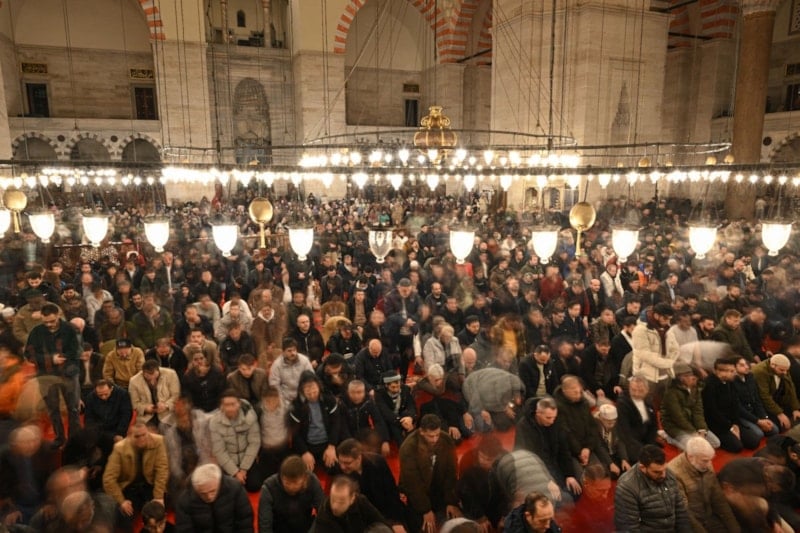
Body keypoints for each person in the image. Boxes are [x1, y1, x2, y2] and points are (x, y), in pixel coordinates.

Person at [24, 301, 82, 447]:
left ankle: (75, 439)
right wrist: (50, 359)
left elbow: (77, 351)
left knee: (73, 408)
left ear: (57, 315)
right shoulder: (37, 332)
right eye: (46, 322)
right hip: (46, 374)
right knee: (52, 409)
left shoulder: (70, 329)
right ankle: (59, 437)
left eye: (52, 321)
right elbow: (29, 354)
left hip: (68, 373)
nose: (49, 324)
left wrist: (63, 358)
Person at [102, 421, 169, 532]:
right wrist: (121, 501)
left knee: (158, 514)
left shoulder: (159, 441)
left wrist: (158, 496)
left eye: (144, 435)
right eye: (137, 436)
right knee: (124, 518)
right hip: (129, 487)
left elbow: (162, 469)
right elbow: (108, 479)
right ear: (130, 437)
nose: (141, 439)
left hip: (150, 485)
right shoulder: (120, 448)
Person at [399, 414, 462, 532]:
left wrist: (451, 501)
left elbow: (451, 472)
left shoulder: (446, 440)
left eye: (437, 435)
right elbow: (413, 483)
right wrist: (425, 510)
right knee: (425, 528)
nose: (434, 439)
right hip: (418, 494)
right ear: (421, 432)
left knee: (457, 524)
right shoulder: (408, 448)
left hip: (439, 489)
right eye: (430, 436)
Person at [514, 396, 582, 502]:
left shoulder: (556, 423)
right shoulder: (524, 427)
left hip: (554, 463)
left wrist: (569, 475)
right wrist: (546, 480)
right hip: (536, 470)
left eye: (554, 418)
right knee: (563, 500)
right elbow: (526, 460)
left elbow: (564, 450)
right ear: (538, 413)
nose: (552, 421)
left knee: (575, 492)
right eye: (548, 418)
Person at [667, 436, 740, 533]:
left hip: (708, 517)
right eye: (705, 460)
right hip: (690, 524)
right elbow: (684, 512)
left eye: (711, 459)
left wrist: (735, 529)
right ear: (690, 457)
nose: (709, 464)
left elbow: (718, 499)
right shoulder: (673, 473)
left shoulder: (705, 464)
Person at [333, 438, 408, 532]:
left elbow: (391, 493)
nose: (342, 467)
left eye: (347, 463)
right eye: (340, 462)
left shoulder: (377, 463)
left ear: (359, 458)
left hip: (385, 513)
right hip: (359, 521)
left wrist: (396, 522)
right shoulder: (338, 473)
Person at [614, 444, 691, 532]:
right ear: (642, 468)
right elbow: (628, 528)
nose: (663, 475)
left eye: (664, 469)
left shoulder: (668, 474)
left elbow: (680, 512)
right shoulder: (627, 487)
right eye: (657, 472)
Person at [289, 370, 346, 472]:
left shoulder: (329, 400)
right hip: (307, 445)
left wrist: (331, 446)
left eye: (314, 390)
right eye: (308, 392)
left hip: (327, 443)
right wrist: (304, 452)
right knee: (302, 473)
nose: (312, 395)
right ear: (302, 390)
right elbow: (295, 433)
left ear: (319, 386)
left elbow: (336, 424)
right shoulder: (296, 406)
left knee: (337, 469)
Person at [702, 356, 761, 452]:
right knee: (737, 447)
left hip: (732, 421)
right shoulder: (709, 386)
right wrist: (730, 427)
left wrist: (735, 424)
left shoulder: (730, 382)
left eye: (733, 370)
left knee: (754, 441)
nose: (734, 373)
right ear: (719, 372)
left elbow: (735, 404)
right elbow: (712, 411)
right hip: (718, 424)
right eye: (731, 371)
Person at [174, 463, 253, 533]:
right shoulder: (184, 501)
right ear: (195, 489)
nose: (209, 497)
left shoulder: (235, 489)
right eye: (203, 493)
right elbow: (184, 529)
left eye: (212, 491)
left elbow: (244, 523)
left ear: (219, 483)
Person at [209, 389, 261, 492]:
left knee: (254, 486)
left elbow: (254, 443)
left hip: (246, 457)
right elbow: (219, 451)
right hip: (229, 459)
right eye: (226, 405)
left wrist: (244, 469)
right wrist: (235, 472)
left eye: (233, 404)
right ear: (222, 406)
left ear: (239, 404)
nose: (230, 408)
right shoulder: (215, 422)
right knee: (230, 489)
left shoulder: (249, 416)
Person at [258, 455, 325, 533]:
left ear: (304, 479)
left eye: (295, 482)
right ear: (281, 477)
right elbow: (265, 523)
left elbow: (322, 513)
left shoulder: (312, 481)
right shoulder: (269, 487)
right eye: (287, 482)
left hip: (305, 527)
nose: (291, 487)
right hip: (278, 528)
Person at [661, 362, 720, 450]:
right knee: (692, 448)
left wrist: (701, 430)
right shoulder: (671, 393)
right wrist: (693, 433)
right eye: (688, 376)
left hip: (692, 424)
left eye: (693, 375)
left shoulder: (696, 389)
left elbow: (698, 411)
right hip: (675, 426)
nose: (693, 378)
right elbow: (678, 416)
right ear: (680, 378)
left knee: (715, 443)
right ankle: (669, 437)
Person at [631, 302, 679, 407]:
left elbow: (675, 349)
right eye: (665, 318)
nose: (668, 322)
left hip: (665, 374)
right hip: (646, 376)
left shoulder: (667, 328)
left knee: (663, 406)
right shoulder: (640, 330)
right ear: (656, 315)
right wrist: (668, 363)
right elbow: (645, 354)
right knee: (645, 406)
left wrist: (670, 362)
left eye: (670, 319)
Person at [313, 475, 392, 532]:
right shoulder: (324, 513)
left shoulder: (361, 502)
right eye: (333, 500)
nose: (335, 506)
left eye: (341, 502)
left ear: (352, 499)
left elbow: (381, 522)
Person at [731, 356, 778, 442]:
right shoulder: (731, 382)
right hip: (741, 416)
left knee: (774, 430)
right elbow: (738, 407)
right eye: (742, 365)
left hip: (754, 412)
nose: (746, 367)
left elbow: (757, 399)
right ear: (733, 368)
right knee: (758, 435)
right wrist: (758, 421)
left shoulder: (750, 376)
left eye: (746, 364)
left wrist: (764, 417)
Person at [83, 378, 133, 459]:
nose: (103, 397)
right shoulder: (91, 397)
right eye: (100, 395)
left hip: (116, 428)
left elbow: (126, 415)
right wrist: (91, 432)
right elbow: (89, 417)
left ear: (111, 388)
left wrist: (120, 433)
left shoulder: (122, 394)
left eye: (106, 394)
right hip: (99, 429)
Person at [615, 376, 659, 463]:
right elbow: (625, 433)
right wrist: (644, 451)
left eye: (640, 391)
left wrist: (650, 445)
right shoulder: (622, 403)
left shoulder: (648, 401)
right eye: (633, 390)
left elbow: (653, 426)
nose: (636, 394)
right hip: (630, 443)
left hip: (645, 440)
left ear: (647, 390)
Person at [128, 359, 181, 430]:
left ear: (158, 370)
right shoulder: (134, 381)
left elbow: (176, 395)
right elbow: (134, 404)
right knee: (145, 433)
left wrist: (166, 405)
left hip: (168, 414)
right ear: (143, 372)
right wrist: (145, 408)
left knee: (168, 430)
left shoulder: (171, 374)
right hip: (146, 418)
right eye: (148, 378)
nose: (152, 381)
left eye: (154, 376)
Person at [751, 353, 800, 431]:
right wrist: (779, 413)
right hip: (761, 406)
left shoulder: (783, 368)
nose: (785, 373)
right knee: (780, 427)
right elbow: (764, 396)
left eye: (787, 370)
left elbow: (791, 387)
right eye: (782, 370)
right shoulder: (760, 372)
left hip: (777, 400)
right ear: (773, 365)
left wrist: (795, 408)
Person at [374, 370, 416, 446]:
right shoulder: (379, 394)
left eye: (398, 384)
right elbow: (386, 412)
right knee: (394, 425)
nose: (396, 388)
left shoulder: (405, 389)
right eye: (393, 386)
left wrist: (410, 417)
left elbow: (411, 405)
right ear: (386, 385)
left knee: (407, 417)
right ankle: (403, 446)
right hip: (390, 420)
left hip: (403, 417)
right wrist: (401, 421)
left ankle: (412, 445)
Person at [269, 337, 314, 406]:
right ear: (283, 352)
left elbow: (311, 378)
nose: (293, 353)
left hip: (304, 396)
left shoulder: (304, 360)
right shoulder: (277, 365)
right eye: (289, 351)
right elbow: (274, 385)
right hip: (285, 399)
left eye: (294, 350)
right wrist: (283, 401)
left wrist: (307, 395)